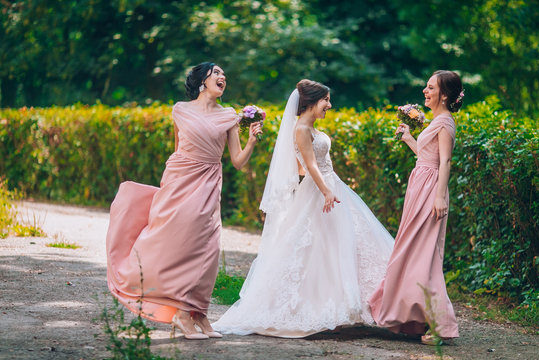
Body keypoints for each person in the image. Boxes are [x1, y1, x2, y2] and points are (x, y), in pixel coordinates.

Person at [212, 79, 394, 338]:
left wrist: (330, 185)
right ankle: (324, 307)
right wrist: (325, 190)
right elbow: (309, 166)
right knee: (316, 248)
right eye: (325, 100)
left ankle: (351, 305)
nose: (329, 105)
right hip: (321, 190)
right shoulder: (301, 128)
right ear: (310, 102)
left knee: (340, 245)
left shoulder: (311, 128)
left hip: (331, 185)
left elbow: (302, 165)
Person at [106, 62, 262, 340]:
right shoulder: (180, 110)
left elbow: (237, 162)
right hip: (181, 179)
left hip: (210, 181)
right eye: (217, 73)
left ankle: (199, 313)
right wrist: (173, 182)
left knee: (209, 248)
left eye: (224, 74)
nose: (223, 76)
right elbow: (178, 149)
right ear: (203, 80)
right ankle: (179, 313)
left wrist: (251, 140)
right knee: (183, 243)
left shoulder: (229, 116)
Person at [368, 70, 464, 345]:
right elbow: (427, 157)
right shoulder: (436, 120)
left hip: (430, 191)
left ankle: (439, 323)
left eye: (430, 87)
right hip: (419, 186)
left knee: (425, 256)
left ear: (444, 95)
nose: (425, 90)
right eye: (426, 86)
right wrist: (410, 138)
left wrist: (439, 197)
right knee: (409, 252)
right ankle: (412, 318)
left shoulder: (445, 123)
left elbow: (444, 162)